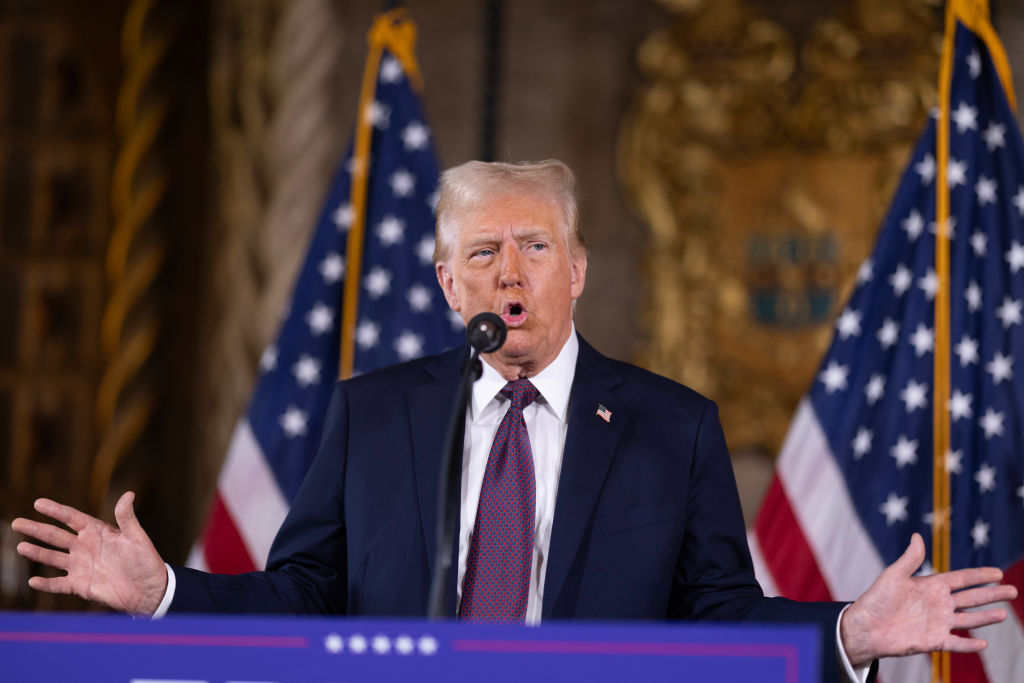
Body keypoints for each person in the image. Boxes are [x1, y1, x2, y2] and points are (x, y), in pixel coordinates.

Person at [12, 160, 1016, 682]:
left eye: (534, 244)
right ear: (451, 284)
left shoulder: (671, 426)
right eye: (482, 251)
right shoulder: (375, 413)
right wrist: (166, 594)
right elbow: (307, 593)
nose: (508, 270)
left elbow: (715, 614)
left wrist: (851, 629)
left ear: (576, 271)